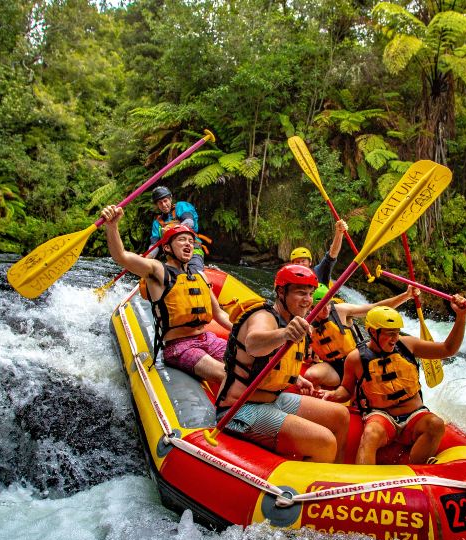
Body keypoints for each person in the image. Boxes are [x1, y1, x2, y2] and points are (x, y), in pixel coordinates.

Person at [215, 265, 350, 463]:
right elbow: (254, 343)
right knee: (324, 441)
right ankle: (314, 489)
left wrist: (298, 378)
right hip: (239, 410)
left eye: (310, 294)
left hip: (273, 400)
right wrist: (285, 334)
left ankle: (336, 477)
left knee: (341, 415)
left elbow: (273, 364)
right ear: (280, 291)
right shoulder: (263, 316)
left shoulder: (291, 319)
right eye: (300, 293)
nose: (307, 300)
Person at [326, 300, 466, 465]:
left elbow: (447, 350)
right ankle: (364, 481)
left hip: (414, 415)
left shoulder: (408, 345)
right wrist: (332, 394)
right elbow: (346, 389)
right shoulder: (355, 358)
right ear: (372, 332)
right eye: (389, 333)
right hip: (381, 415)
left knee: (436, 424)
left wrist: (461, 317)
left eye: (397, 332)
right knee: (371, 433)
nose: (395, 338)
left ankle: (415, 472)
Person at [101, 204, 232, 383]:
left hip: (207, 339)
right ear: (168, 248)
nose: (188, 244)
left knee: (247, 366)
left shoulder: (199, 276)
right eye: (182, 240)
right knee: (228, 375)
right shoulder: (157, 271)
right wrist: (112, 226)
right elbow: (121, 256)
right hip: (180, 347)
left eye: (191, 241)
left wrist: (241, 334)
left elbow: (219, 314)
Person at [305, 284, 421, 391]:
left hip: (359, 363)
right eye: (321, 307)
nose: (326, 309)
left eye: (328, 304)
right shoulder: (307, 322)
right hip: (334, 367)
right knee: (311, 376)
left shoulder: (341, 310)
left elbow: (375, 308)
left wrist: (406, 296)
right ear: (311, 308)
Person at [148, 186, 207, 273]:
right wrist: (147, 257)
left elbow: (189, 222)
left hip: (192, 251)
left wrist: (170, 231)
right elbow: (154, 246)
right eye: (160, 203)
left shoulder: (181, 206)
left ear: (170, 199)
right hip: (172, 257)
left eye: (165, 201)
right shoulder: (157, 223)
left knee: (195, 274)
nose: (164, 205)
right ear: (157, 205)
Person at [289, 219, 348, 285]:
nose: (300, 264)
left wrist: (339, 233)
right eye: (297, 262)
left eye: (303, 261)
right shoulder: (289, 280)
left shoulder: (318, 271)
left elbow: (332, 254)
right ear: (292, 265)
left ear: (310, 262)